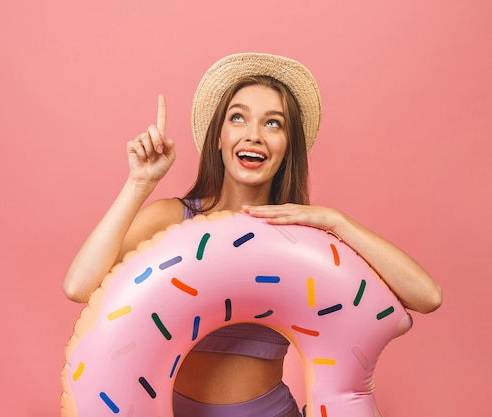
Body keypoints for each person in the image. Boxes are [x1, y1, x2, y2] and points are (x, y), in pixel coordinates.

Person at [63, 53, 443, 417]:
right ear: (219, 137)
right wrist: (139, 183)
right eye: (238, 118)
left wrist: (337, 222)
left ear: (287, 146)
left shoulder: (304, 239)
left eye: (273, 123)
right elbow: (79, 286)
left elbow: (426, 296)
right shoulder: (173, 219)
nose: (254, 135)